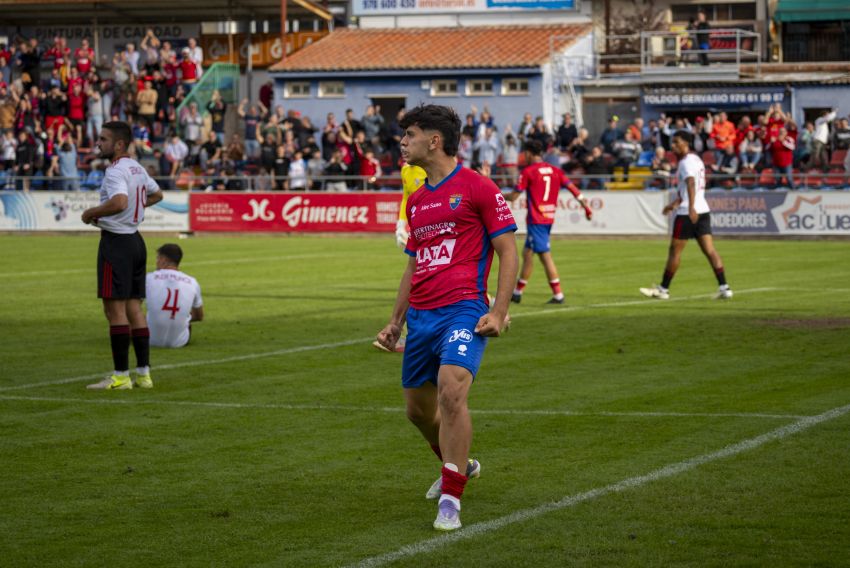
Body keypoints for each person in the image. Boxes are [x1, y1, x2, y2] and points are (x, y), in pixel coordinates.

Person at [375, 104, 518, 532]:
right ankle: (458, 465)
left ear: (434, 141)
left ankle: (451, 501)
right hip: (421, 315)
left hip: (465, 308)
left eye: (410, 134)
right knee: (418, 413)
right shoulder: (417, 201)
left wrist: (498, 311)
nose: (402, 142)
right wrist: (395, 321)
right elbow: (412, 266)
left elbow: (509, 251)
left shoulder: (477, 187)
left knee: (451, 393)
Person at [81, 121, 163, 390]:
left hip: (116, 244)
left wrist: (91, 213)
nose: (98, 143)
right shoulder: (138, 168)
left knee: (114, 310)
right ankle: (144, 374)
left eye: (103, 139)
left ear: (118, 144)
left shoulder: (115, 171)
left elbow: (119, 202)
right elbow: (157, 194)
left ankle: (120, 376)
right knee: (134, 309)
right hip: (136, 242)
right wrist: (137, 208)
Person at [640, 130, 732, 301]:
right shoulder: (696, 159)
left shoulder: (685, 163)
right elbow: (692, 186)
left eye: (676, 142)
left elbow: (690, 182)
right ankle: (724, 287)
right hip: (703, 210)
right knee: (710, 250)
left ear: (686, 143)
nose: (673, 145)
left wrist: (689, 208)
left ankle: (663, 290)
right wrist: (674, 203)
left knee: (674, 251)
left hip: (688, 214)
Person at [505, 140, 591, 305]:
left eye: (524, 154)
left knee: (545, 257)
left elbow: (514, 196)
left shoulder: (528, 171)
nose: (524, 157)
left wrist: (498, 195)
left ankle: (558, 295)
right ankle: (517, 293)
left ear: (529, 153)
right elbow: (573, 189)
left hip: (536, 220)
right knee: (527, 254)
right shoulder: (555, 170)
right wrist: (586, 207)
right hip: (548, 218)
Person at [372, 161, 427, 354]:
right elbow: (406, 197)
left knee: (424, 279)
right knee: (421, 278)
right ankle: (403, 335)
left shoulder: (430, 169)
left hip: (432, 228)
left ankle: (404, 336)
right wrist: (401, 223)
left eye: (410, 137)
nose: (404, 143)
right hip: (419, 229)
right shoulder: (406, 169)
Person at [145, 244, 204, 348]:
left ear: (163, 259)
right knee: (186, 320)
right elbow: (199, 316)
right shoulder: (192, 282)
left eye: (158, 258)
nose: (157, 261)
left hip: (149, 339)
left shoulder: (149, 278)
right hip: (179, 342)